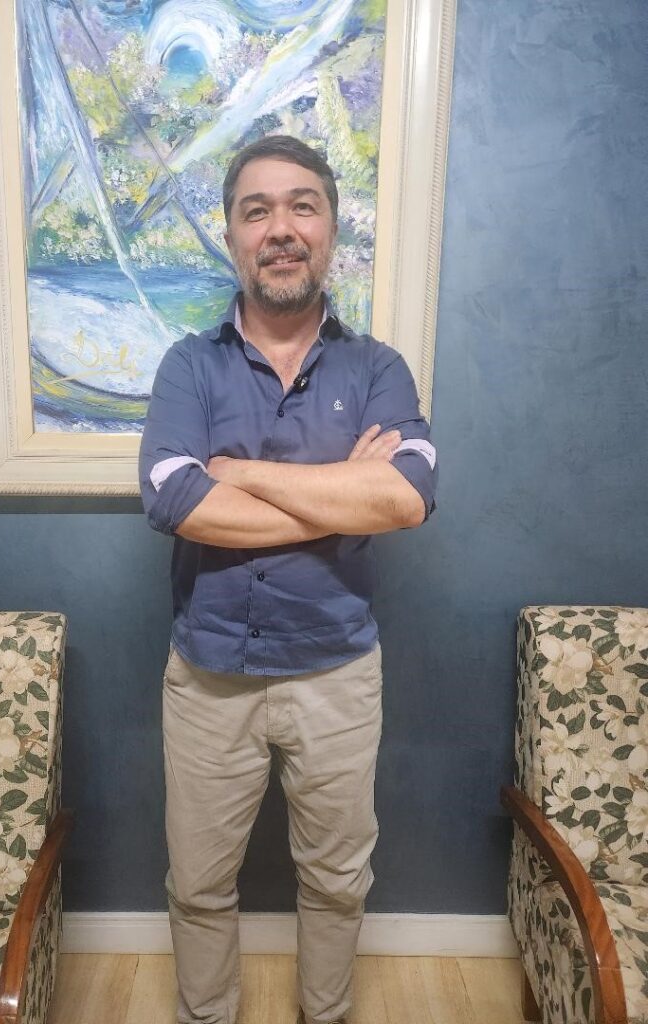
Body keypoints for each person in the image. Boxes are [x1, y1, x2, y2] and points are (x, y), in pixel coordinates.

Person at [139, 135, 438, 1024]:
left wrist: (239, 473)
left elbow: (409, 495)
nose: (280, 228)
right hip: (208, 679)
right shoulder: (187, 365)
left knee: (339, 881)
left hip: (337, 675)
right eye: (256, 210)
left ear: (331, 228)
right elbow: (173, 498)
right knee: (198, 884)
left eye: (302, 205)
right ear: (232, 235)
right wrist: (343, 493)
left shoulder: (378, 367)